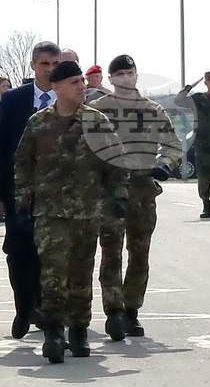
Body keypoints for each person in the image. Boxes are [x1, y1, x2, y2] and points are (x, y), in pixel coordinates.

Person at [14, 60, 128, 363]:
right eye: (75, 82)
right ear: (57, 86)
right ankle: (53, 332)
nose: (82, 86)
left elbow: (115, 162)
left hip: (88, 211)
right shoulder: (38, 123)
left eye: (82, 81)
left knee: (80, 274)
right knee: (53, 275)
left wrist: (118, 196)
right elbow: (23, 165)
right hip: (50, 213)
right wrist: (22, 204)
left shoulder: (97, 121)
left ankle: (79, 329)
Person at [91, 55, 183, 340]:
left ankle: (132, 309)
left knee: (139, 254)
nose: (125, 78)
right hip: (109, 194)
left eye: (129, 73)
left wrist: (166, 164)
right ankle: (114, 311)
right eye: (119, 74)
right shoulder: (98, 110)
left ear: (136, 75)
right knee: (111, 253)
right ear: (111, 77)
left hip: (143, 190)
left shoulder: (152, 110)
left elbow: (173, 145)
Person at [0, 41, 60, 339]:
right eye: (44, 64)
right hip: (18, 190)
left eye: (54, 64)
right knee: (18, 251)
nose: (49, 70)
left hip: (58, 193)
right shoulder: (12, 100)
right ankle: (25, 307)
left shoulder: (70, 99)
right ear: (33, 66)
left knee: (50, 253)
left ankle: (45, 311)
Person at [175, 71, 210, 218]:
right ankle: (206, 206)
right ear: (205, 82)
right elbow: (179, 100)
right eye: (209, 80)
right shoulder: (198, 98)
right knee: (203, 175)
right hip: (202, 142)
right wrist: (190, 86)